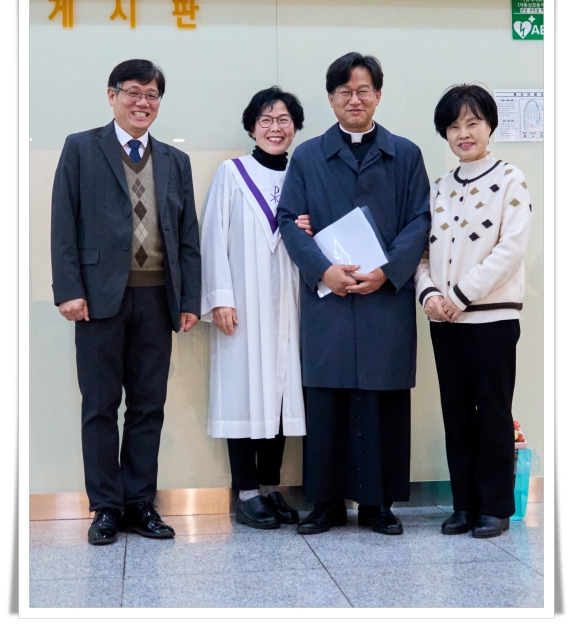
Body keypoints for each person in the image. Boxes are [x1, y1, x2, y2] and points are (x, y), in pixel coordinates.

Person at [277, 52, 431, 535]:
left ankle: (377, 504)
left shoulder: (405, 154)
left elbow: (420, 219)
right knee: (327, 400)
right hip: (330, 301)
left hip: (386, 299)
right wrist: (323, 271)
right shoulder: (308, 156)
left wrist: (388, 270)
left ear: (378, 95)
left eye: (364, 90)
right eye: (344, 91)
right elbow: (288, 220)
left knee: (381, 400)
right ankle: (325, 503)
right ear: (331, 99)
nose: (354, 99)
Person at [51, 59, 201, 545]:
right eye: (133, 92)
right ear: (112, 95)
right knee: (99, 405)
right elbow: (63, 223)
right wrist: (68, 289)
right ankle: (105, 508)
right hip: (97, 299)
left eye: (152, 94)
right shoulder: (81, 148)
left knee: (147, 406)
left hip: (158, 298)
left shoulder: (175, 161)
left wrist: (189, 298)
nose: (142, 102)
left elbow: (187, 237)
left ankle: (140, 503)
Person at [415, 84, 532, 539]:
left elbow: (511, 250)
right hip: (444, 320)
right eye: (454, 126)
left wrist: (460, 295)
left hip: (491, 318)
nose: (463, 133)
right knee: (457, 413)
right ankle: (463, 505)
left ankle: (495, 507)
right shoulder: (440, 187)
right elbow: (423, 253)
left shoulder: (511, 179)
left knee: (494, 412)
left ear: (490, 127)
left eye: (473, 123)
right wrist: (429, 295)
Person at [200, 87, 306, 529]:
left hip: (290, 306)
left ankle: (270, 488)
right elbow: (213, 237)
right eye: (266, 120)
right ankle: (246, 493)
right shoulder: (232, 173)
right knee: (244, 393)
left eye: (283, 120)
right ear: (252, 127)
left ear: (295, 128)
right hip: (242, 306)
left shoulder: (303, 174)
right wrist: (220, 298)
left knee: (279, 395)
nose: (275, 128)